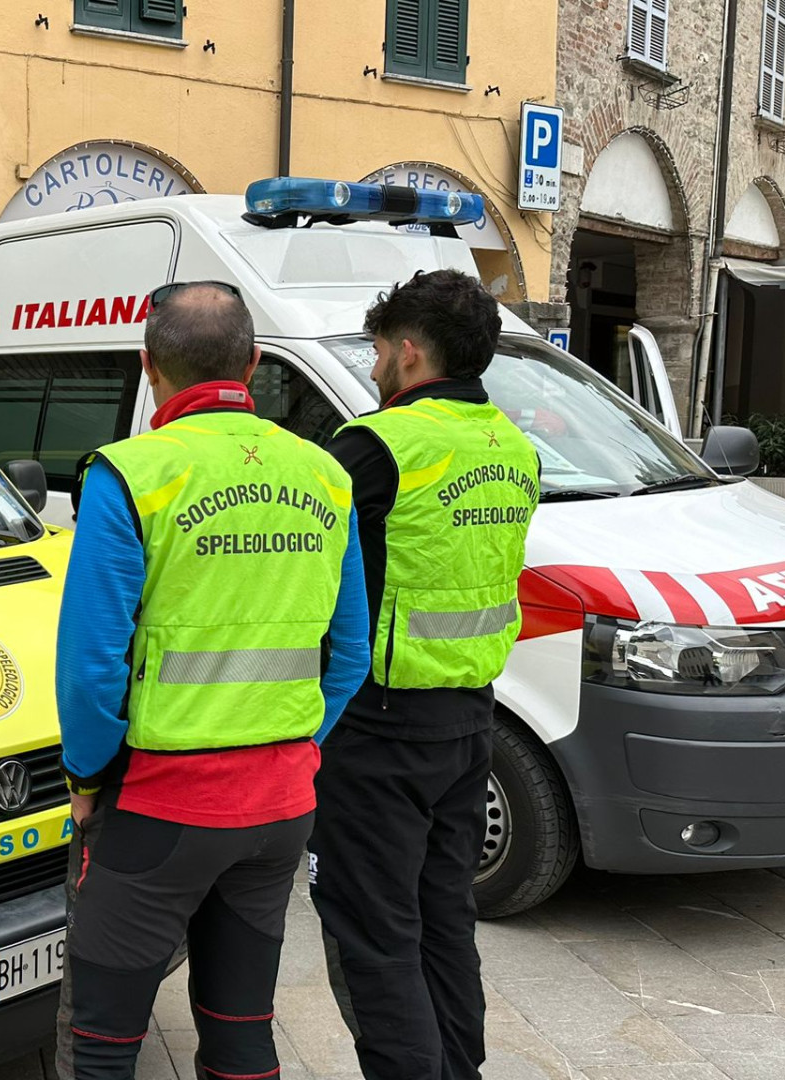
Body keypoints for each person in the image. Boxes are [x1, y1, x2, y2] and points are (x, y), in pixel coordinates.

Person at [54, 282, 370, 1080]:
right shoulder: (326, 475)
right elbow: (351, 652)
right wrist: (294, 743)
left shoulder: (131, 475)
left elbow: (92, 666)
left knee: (102, 1044)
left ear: (148, 366)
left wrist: (88, 778)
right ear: (255, 364)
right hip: (280, 811)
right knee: (241, 1029)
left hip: (159, 810)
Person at [309, 270, 539, 1080]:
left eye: (377, 351)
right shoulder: (512, 444)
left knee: (373, 931)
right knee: (443, 920)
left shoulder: (376, 447)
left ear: (409, 352)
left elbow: (308, 573)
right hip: (471, 720)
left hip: (378, 727)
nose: (373, 368)